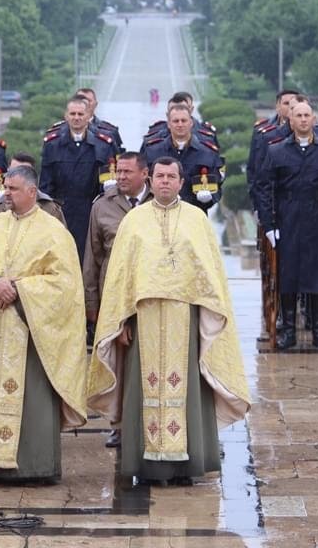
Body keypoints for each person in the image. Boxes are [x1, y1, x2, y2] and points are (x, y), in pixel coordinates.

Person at [87, 157, 250, 485]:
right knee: (141, 393)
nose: (164, 181)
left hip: (184, 321)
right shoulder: (134, 220)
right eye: (159, 176)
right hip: (142, 322)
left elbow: (211, 275)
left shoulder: (196, 220)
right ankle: (145, 466)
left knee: (186, 390)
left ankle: (184, 467)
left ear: (180, 181)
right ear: (151, 179)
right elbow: (120, 278)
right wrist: (122, 323)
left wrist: (207, 319)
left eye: (170, 176)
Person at [0, 166, 87, 483]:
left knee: (32, 396)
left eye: (12, 188)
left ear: (31, 192)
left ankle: (33, 464)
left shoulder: (54, 231)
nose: (5, 194)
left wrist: (19, 290)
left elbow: (65, 286)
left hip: (32, 331)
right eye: (5, 188)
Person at [253, 100, 318, 351]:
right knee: (288, 277)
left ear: (314, 119)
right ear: (291, 120)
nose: (304, 120)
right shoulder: (276, 152)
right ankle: (288, 332)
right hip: (287, 222)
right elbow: (265, 189)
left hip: (317, 222)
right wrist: (269, 224)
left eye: (307, 115)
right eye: (299, 115)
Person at [83, 151, 152, 447]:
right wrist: (91, 305)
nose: (121, 177)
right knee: (118, 362)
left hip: (150, 296)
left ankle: (152, 420)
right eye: (118, 172)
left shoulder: (158, 204)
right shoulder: (103, 206)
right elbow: (93, 258)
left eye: (127, 172)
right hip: (114, 296)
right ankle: (119, 424)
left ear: (144, 174)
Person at [39, 95, 118, 263]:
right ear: (66, 116)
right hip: (62, 212)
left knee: (91, 260)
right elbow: (45, 185)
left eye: (80, 114)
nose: (76, 118)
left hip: (91, 212)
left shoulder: (103, 145)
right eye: (72, 114)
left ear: (89, 116)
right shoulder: (52, 145)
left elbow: (110, 178)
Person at [142, 104, 223, 213]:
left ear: (191, 123)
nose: (180, 125)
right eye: (176, 121)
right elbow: (143, 184)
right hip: (159, 213)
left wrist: (210, 198)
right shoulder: (153, 151)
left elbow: (217, 186)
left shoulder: (207, 152)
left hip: (194, 214)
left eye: (184, 121)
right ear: (169, 124)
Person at [0, 153, 64, 227]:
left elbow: (61, 242)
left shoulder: (51, 209)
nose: (16, 175)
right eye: (13, 171)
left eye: (23, 172)